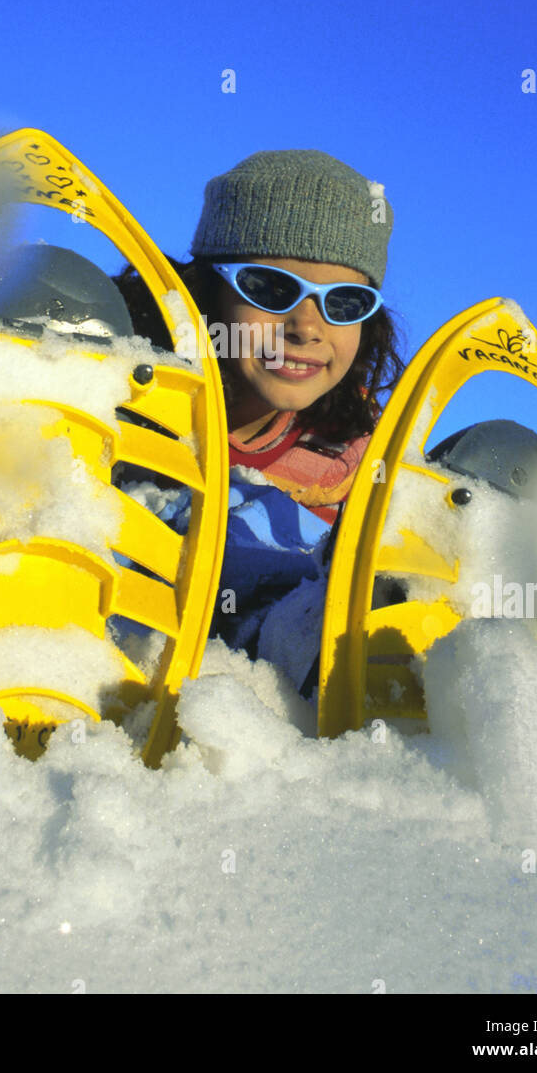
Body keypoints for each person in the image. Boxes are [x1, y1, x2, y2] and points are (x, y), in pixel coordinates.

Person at [116, 148, 404, 679]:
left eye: (343, 304)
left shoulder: (362, 472)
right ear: (208, 290)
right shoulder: (117, 396)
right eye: (270, 288)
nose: (306, 326)